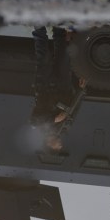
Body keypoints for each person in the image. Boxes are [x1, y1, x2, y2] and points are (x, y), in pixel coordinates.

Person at [30, 26, 86, 156]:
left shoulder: (40, 128)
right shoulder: (66, 126)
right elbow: (76, 107)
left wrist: (52, 119)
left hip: (46, 86)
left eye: (57, 148)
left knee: (43, 55)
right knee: (63, 55)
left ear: (49, 144)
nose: (60, 145)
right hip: (63, 85)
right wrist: (82, 91)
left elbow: (34, 119)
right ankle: (59, 27)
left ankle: (39, 28)